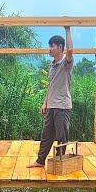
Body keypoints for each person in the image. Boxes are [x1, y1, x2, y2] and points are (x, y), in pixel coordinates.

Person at [27, 26, 74, 168]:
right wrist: (44, 103)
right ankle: (40, 161)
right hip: (51, 105)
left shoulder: (66, 63)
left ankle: (60, 163)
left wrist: (67, 30)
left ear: (60, 47)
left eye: (52, 46)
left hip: (62, 106)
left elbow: (70, 50)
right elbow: (50, 86)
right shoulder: (52, 65)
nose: (49, 49)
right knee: (46, 136)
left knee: (61, 137)